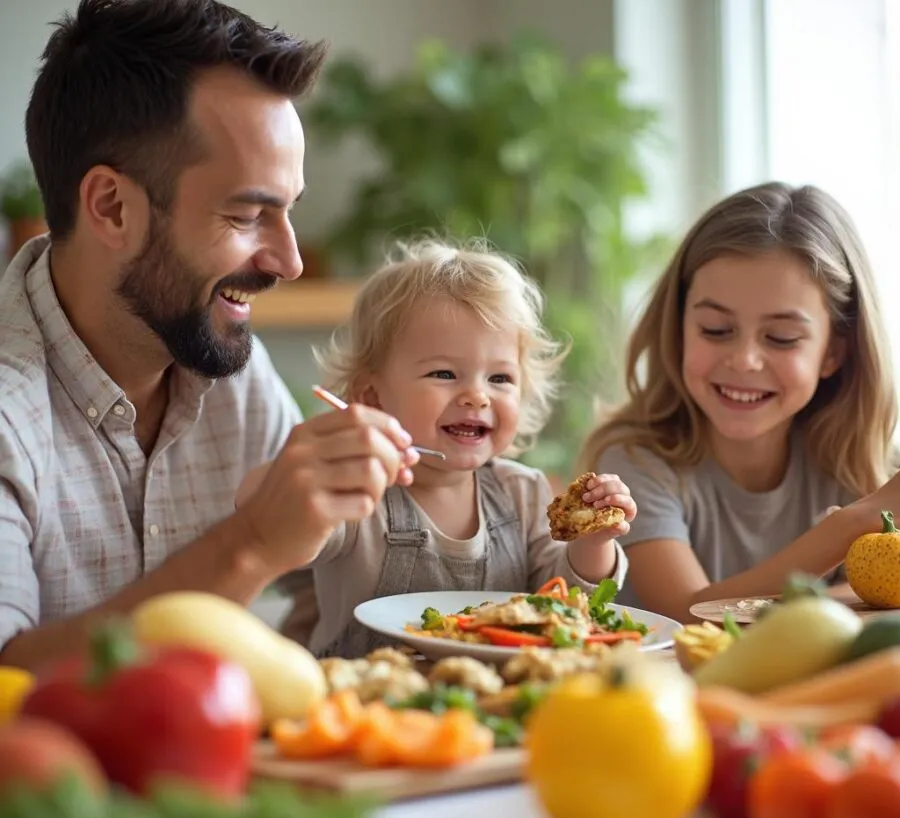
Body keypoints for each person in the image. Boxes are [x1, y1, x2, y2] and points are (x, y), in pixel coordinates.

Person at [0, 0, 419, 671]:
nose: (289, 262)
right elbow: (8, 687)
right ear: (112, 207)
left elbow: (325, 596)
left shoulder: (224, 368)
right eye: (249, 214)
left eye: (288, 213)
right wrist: (251, 540)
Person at [238, 239, 636, 658]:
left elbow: (572, 607)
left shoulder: (524, 494)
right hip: (366, 702)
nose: (477, 396)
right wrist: (306, 466)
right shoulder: (358, 495)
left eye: (499, 379)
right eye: (444, 373)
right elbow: (263, 513)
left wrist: (593, 542)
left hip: (498, 701)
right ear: (372, 398)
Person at [578, 181, 900, 622]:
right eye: (715, 329)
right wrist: (847, 528)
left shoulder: (863, 465)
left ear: (833, 352)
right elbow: (687, 611)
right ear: (678, 328)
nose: (745, 361)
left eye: (781, 338)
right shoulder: (636, 463)